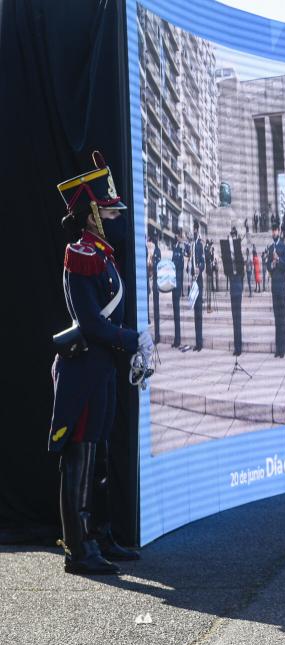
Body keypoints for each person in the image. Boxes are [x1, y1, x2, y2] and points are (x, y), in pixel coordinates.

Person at [50, 152, 152, 574]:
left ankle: (100, 533)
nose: (112, 214)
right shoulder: (81, 253)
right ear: (90, 211)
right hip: (86, 368)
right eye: (106, 208)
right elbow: (91, 322)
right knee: (81, 451)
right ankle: (79, 546)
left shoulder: (103, 254)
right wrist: (132, 339)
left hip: (104, 367)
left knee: (102, 450)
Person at [267, 223, 285, 358]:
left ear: (279, 232)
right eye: (273, 230)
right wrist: (272, 263)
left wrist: (278, 259)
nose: (274, 233)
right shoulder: (270, 248)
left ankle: (282, 348)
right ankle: (277, 348)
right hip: (274, 287)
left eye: (276, 230)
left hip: (281, 286)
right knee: (276, 319)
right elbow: (268, 267)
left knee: (282, 318)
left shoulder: (283, 247)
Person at [227, 233, 245, 356]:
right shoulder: (229, 257)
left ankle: (239, 346)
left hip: (238, 288)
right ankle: (236, 346)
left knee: (238, 319)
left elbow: (241, 271)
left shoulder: (239, 257)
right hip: (232, 289)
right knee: (234, 320)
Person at [170, 230, 185, 348]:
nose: (177, 238)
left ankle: (178, 339)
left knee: (178, 313)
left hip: (178, 283)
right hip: (173, 283)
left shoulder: (181, 249)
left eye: (178, 237)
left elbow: (180, 267)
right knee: (175, 312)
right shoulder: (175, 249)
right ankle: (176, 338)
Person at [192, 228, 205, 351]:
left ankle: (200, 342)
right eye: (193, 230)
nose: (194, 232)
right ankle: (197, 342)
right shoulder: (192, 245)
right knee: (195, 314)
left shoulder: (200, 245)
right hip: (193, 282)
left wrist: (199, 268)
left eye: (196, 230)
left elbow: (203, 262)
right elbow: (191, 262)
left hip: (199, 281)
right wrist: (189, 269)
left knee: (199, 314)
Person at [149, 234, 161, 344]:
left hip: (157, 283)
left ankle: (158, 336)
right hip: (154, 282)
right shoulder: (153, 251)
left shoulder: (158, 251)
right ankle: (157, 335)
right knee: (155, 310)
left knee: (157, 311)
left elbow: (158, 265)